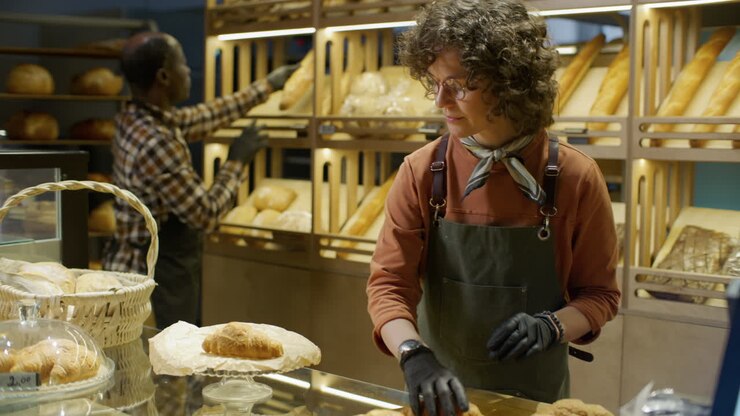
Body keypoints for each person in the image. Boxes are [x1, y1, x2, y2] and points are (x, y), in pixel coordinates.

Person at [366, 1, 621, 414]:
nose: (441, 102)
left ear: (510, 83)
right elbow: (389, 286)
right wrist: (413, 353)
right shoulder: (422, 172)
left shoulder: (574, 177)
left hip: (537, 400)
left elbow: (600, 295)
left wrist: (551, 325)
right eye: (435, 83)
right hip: (443, 397)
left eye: (460, 84)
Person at [103, 32, 298, 329]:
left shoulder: (135, 118)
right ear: (164, 76)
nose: (189, 71)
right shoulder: (156, 141)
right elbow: (205, 214)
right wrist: (236, 160)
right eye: (183, 64)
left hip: (134, 264)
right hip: (155, 276)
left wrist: (267, 86)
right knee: (167, 361)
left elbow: (202, 117)